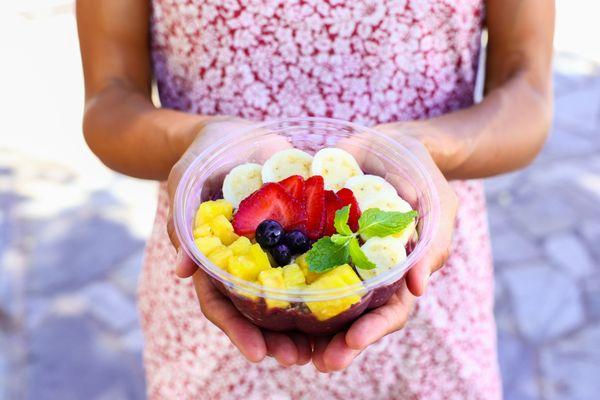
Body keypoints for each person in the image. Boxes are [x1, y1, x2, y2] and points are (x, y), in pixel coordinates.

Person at [76, 0, 554, 398]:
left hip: (419, 269)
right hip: (217, 289)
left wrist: (425, 149)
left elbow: (527, 95)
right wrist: (197, 140)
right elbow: (109, 102)